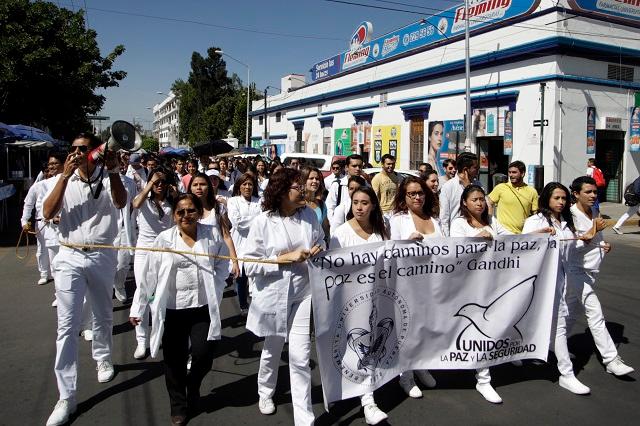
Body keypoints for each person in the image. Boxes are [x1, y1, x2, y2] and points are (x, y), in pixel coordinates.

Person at [43, 133, 127, 426]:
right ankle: (66, 396)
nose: (79, 153)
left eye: (85, 148)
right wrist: (64, 177)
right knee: (67, 326)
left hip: (102, 255)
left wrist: (114, 170)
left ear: (95, 152)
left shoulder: (109, 176)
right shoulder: (60, 180)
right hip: (68, 256)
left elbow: (120, 202)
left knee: (103, 314)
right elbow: (47, 211)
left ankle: (103, 357)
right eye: (74, 148)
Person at [129, 193, 228, 425]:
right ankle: (178, 405)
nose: (186, 215)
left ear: (198, 212)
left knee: (204, 354)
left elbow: (222, 261)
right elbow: (148, 277)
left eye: (191, 210)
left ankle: (192, 386)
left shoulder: (211, 234)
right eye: (180, 212)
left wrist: (217, 283)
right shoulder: (164, 240)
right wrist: (138, 307)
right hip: (173, 309)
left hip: (202, 306)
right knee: (174, 360)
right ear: (174, 215)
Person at [243, 168, 324, 425]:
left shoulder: (310, 215)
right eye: (297, 187)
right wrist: (281, 260)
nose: (303, 190)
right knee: (273, 347)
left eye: (303, 186)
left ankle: (304, 418)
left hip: (303, 294)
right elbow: (249, 264)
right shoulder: (263, 221)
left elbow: (321, 240)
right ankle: (265, 391)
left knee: (300, 356)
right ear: (281, 192)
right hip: (274, 294)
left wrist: (318, 249)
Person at [522, 182, 590, 394]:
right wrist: (538, 235)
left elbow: (568, 248)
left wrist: (588, 242)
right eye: (556, 198)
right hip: (537, 283)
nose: (561, 202)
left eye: (564, 199)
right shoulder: (534, 221)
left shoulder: (567, 222)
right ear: (546, 199)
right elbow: (519, 247)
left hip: (560, 282)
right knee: (525, 321)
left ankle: (566, 374)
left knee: (559, 324)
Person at [329, 187, 389, 425]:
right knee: (349, 347)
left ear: (373, 205)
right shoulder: (341, 233)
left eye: (365, 202)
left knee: (369, 347)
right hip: (348, 300)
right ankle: (343, 387)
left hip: (376, 300)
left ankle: (368, 400)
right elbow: (331, 268)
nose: (360, 207)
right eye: (356, 202)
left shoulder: (381, 232)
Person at [565, 177, 634, 378]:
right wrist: (593, 231)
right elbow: (570, 246)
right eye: (588, 192)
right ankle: (611, 359)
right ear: (576, 194)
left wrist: (603, 246)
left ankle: (552, 345)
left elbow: (595, 239)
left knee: (570, 313)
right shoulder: (570, 215)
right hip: (575, 270)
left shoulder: (594, 211)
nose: (593, 196)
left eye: (595, 192)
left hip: (591, 270)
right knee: (595, 313)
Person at [449, 184, 511, 404]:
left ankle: (486, 373)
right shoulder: (459, 224)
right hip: (468, 285)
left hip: (492, 283)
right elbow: (456, 251)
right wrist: (477, 239)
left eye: (482, 199)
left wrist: (537, 236)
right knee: (469, 328)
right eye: (474, 199)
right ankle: (476, 374)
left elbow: (513, 239)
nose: (479, 203)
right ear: (465, 203)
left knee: (490, 327)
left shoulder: (492, 221)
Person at [389, 176, 441, 399]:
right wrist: (406, 243)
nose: (417, 197)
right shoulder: (399, 219)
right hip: (407, 284)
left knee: (425, 328)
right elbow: (389, 249)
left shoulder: (434, 219)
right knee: (407, 329)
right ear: (404, 197)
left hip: (433, 283)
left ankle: (420, 364)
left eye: (420, 193)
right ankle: (405, 375)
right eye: (412, 194)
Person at [131, 167, 176, 360]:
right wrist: (148, 184)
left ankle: (159, 335)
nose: (159, 185)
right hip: (144, 253)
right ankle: (141, 340)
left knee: (160, 295)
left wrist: (176, 194)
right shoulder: (144, 201)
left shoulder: (171, 203)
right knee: (143, 292)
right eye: (156, 182)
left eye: (162, 182)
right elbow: (134, 204)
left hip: (165, 253)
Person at [227, 173, 262, 313]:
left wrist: (255, 219)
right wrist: (257, 219)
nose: (247, 187)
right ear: (239, 186)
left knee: (256, 275)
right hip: (239, 243)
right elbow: (237, 223)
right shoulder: (233, 201)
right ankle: (243, 304)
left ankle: (256, 306)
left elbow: (263, 221)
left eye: (250, 184)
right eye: (244, 184)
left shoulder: (259, 201)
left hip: (256, 242)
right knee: (241, 277)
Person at [487, 160, 538, 234]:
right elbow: (488, 203)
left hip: (522, 234)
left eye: (514, 172)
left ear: (522, 173)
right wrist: (491, 222)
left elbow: (535, 214)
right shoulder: (501, 187)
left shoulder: (532, 191)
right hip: (502, 233)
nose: (511, 175)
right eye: (509, 172)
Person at [439, 152, 479, 236]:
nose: (478, 171)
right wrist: (447, 241)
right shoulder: (448, 187)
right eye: (475, 168)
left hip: (477, 234)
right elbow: (444, 218)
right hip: (456, 238)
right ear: (465, 170)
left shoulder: (478, 185)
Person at [327, 154, 366, 221]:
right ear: (346, 167)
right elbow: (330, 207)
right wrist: (334, 223)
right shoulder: (338, 185)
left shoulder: (366, 184)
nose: (357, 169)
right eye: (354, 166)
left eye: (360, 166)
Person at [302, 167, 330, 241]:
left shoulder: (321, 205)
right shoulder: (297, 203)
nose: (315, 181)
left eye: (317, 179)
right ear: (303, 180)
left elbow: (326, 230)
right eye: (311, 178)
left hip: (318, 248)